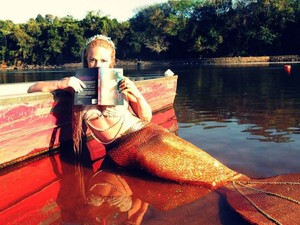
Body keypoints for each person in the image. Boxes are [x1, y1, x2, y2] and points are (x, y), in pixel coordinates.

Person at [28, 35, 300, 224]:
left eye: (101, 61)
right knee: (199, 179)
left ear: (111, 62)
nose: (95, 65)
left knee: (217, 175)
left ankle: (256, 193)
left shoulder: (121, 82)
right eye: (91, 60)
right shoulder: (76, 82)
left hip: (148, 135)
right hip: (125, 151)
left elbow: (145, 117)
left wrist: (135, 93)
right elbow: (32, 89)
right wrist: (63, 83)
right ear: (85, 60)